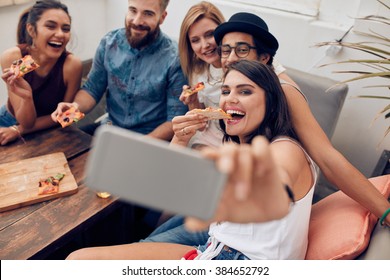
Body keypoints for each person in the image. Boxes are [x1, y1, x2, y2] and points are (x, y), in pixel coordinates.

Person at [142, 10, 390, 245]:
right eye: (225, 51)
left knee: (151, 240)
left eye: (241, 50)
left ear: (264, 57)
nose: (229, 59)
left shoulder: (283, 92)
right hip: (227, 197)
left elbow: (327, 158)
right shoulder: (234, 84)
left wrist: (383, 210)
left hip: (255, 220)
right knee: (154, 227)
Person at [66, 60, 318, 260]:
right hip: (214, 248)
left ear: (271, 104)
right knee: (79, 260)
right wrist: (179, 140)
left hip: (241, 261)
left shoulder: (285, 148)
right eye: (226, 91)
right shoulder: (239, 145)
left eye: (245, 91)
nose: (230, 98)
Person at [50, 0, 187, 141]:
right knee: (58, 144)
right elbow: (92, 89)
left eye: (148, 14)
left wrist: (138, 145)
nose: (137, 21)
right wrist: (74, 107)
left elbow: (175, 120)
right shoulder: (109, 43)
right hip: (110, 129)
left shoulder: (175, 58)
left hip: (150, 139)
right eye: (133, 10)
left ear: (162, 17)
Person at [0, 0, 82, 145]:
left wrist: (18, 130)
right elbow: (26, 121)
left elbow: (67, 116)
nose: (60, 34)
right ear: (31, 30)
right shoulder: (19, 58)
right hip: (8, 121)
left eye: (66, 29)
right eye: (50, 26)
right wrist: (27, 98)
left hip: (50, 128)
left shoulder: (72, 65)